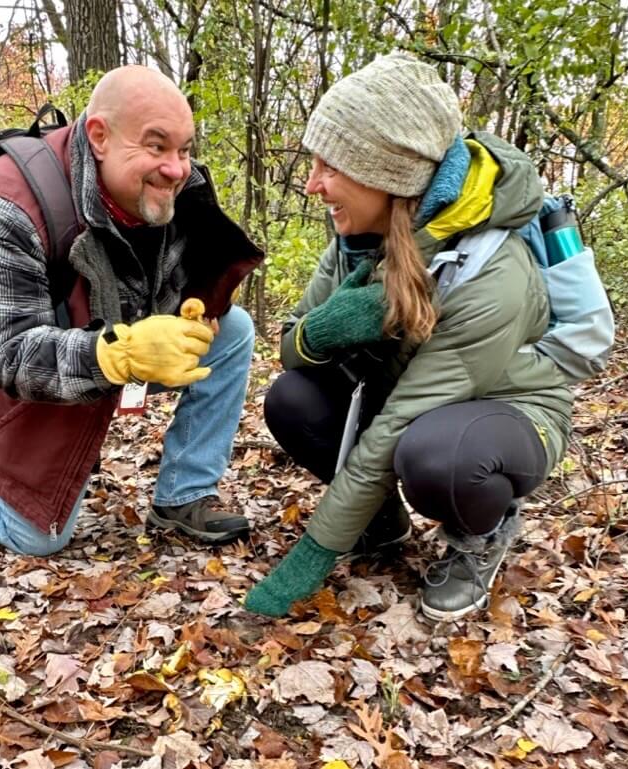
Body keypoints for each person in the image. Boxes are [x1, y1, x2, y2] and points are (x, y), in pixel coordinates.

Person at [244, 53, 573, 621]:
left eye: (330, 166)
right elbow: (293, 345)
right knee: (291, 397)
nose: (312, 183)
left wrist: (314, 554)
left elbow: (397, 423)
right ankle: (382, 525)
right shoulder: (362, 235)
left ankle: (482, 532)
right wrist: (330, 326)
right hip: (411, 401)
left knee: (437, 456)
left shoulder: (492, 273)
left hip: (507, 412)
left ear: (386, 175)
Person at [0, 65, 263, 555]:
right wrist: (118, 357)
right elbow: (9, 355)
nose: (176, 168)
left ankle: (184, 494)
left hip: (100, 327)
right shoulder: (3, 206)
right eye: (156, 146)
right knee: (36, 535)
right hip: (1, 359)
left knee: (233, 330)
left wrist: (195, 305)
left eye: (184, 148)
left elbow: (193, 270)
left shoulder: (174, 185)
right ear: (99, 136)